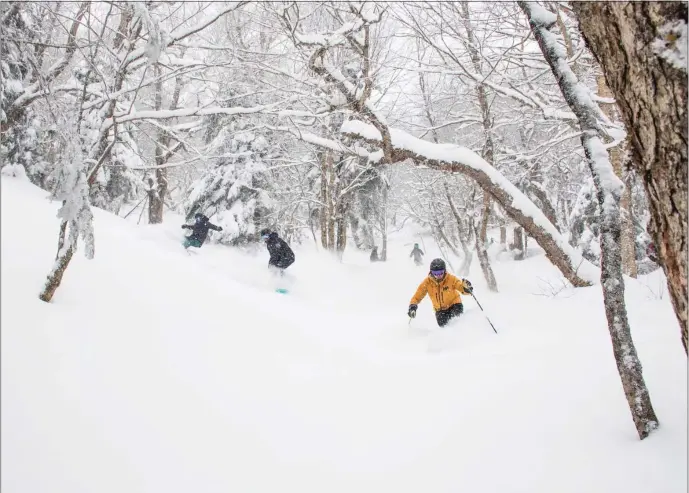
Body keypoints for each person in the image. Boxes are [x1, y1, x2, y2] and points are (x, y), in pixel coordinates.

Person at [407, 258, 473, 327]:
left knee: (457, 324)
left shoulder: (451, 279)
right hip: (440, 310)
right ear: (431, 272)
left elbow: (460, 287)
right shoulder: (427, 283)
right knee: (444, 328)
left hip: (454, 305)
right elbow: (417, 296)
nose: (438, 275)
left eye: (440, 272)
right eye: (435, 273)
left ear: (444, 271)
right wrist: (413, 306)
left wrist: (466, 289)